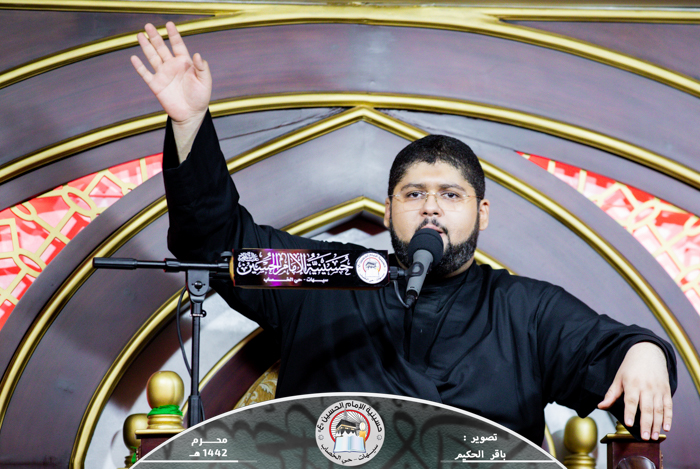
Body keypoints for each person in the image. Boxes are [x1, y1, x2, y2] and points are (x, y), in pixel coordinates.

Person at [131, 22, 676, 444]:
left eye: (451, 195)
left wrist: (645, 351)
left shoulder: (526, 310)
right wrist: (189, 123)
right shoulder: (324, 277)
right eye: (414, 195)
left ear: (483, 213)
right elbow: (217, 243)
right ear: (388, 212)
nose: (431, 208)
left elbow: (612, 356)